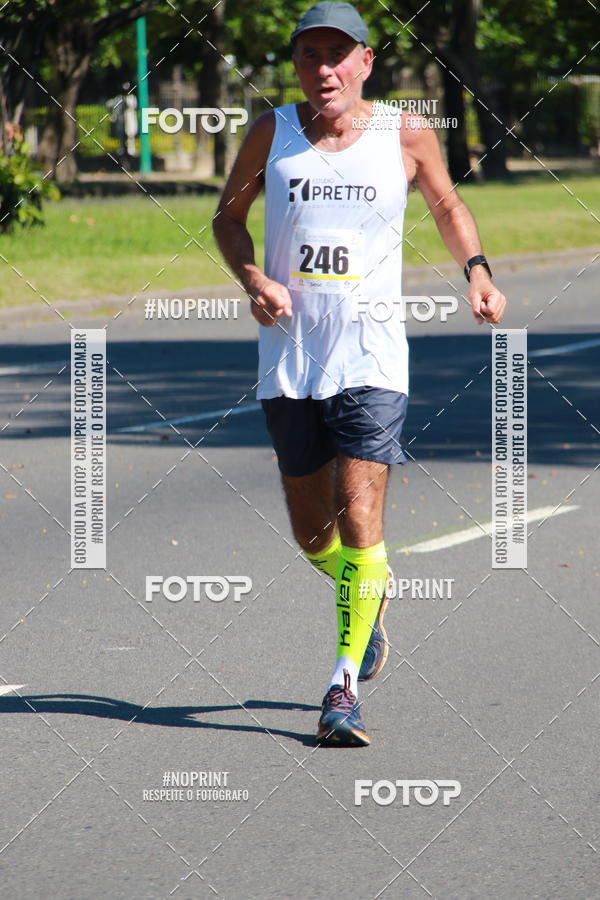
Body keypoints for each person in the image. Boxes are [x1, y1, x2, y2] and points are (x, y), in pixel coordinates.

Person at [213, 1, 506, 746]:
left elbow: (445, 200)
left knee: (361, 512)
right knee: (316, 535)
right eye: (311, 56)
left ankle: (341, 688)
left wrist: (475, 270)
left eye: (339, 55)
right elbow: (227, 217)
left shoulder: (402, 132)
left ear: (366, 62)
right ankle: (368, 593)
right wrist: (252, 278)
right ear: (298, 65)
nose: (325, 70)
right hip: (290, 357)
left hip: (372, 355)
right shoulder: (270, 134)